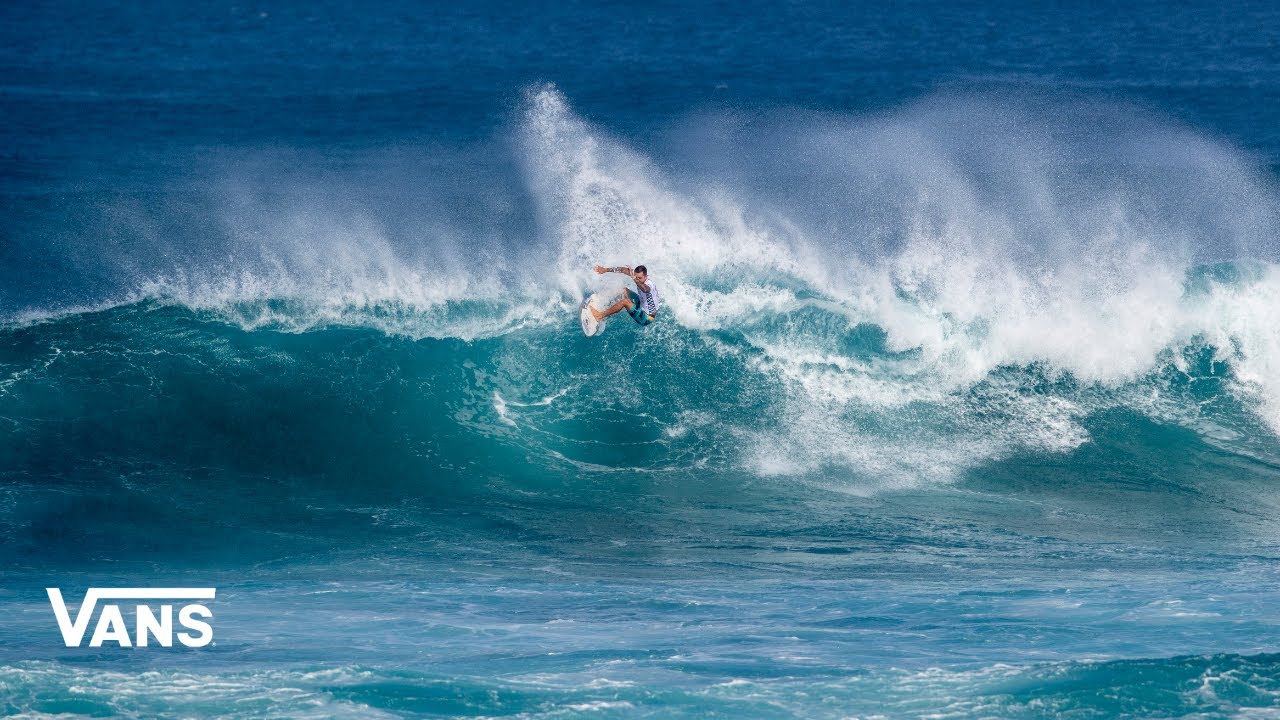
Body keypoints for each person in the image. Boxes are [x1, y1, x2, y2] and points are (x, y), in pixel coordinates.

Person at [590, 264, 660, 326]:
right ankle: (605, 309)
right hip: (642, 304)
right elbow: (623, 270)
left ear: (646, 277)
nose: (638, 279)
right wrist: (605, 269)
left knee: (625, 301)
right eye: (636, 277)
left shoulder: (649, 285)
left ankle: (599, 316)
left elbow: (644, 289)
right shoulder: (636, 276)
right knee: (623, 290)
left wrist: (634, 278)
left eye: (640, 278)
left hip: (647, 317)